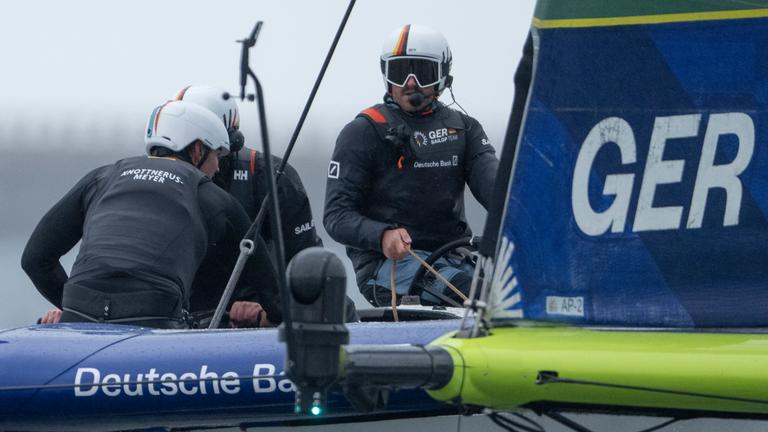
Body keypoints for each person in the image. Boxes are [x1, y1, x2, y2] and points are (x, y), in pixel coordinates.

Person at [22, 101, 280, 328]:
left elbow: (35, 260)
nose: (216, 168)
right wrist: (264, 319)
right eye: (216, 156)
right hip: (153, 318)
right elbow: (275, 299)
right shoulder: (213, 196)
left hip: (80, 311)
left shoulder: (102, 176)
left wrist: (74, 310)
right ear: (198, 151)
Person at [324, 24, 499, 307]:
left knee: (509, 288)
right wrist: (382, 236)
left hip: (454, 258)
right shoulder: (362, 132)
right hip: (387, 267)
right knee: (476, 293)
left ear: (443, 75)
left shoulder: (464, 128)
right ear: (386, 76)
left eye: (422, 71)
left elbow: (499, 191)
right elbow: (336, 216)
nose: (410, 82)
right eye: (400, 71)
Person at [173, 85, 359, 323]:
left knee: (332, 297)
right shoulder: (161, 183)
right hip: (185, 310)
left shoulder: (273, 178)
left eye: (200, 147)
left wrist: (267, 307)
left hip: (261, 306)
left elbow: (306, 263)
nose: (191, 156)